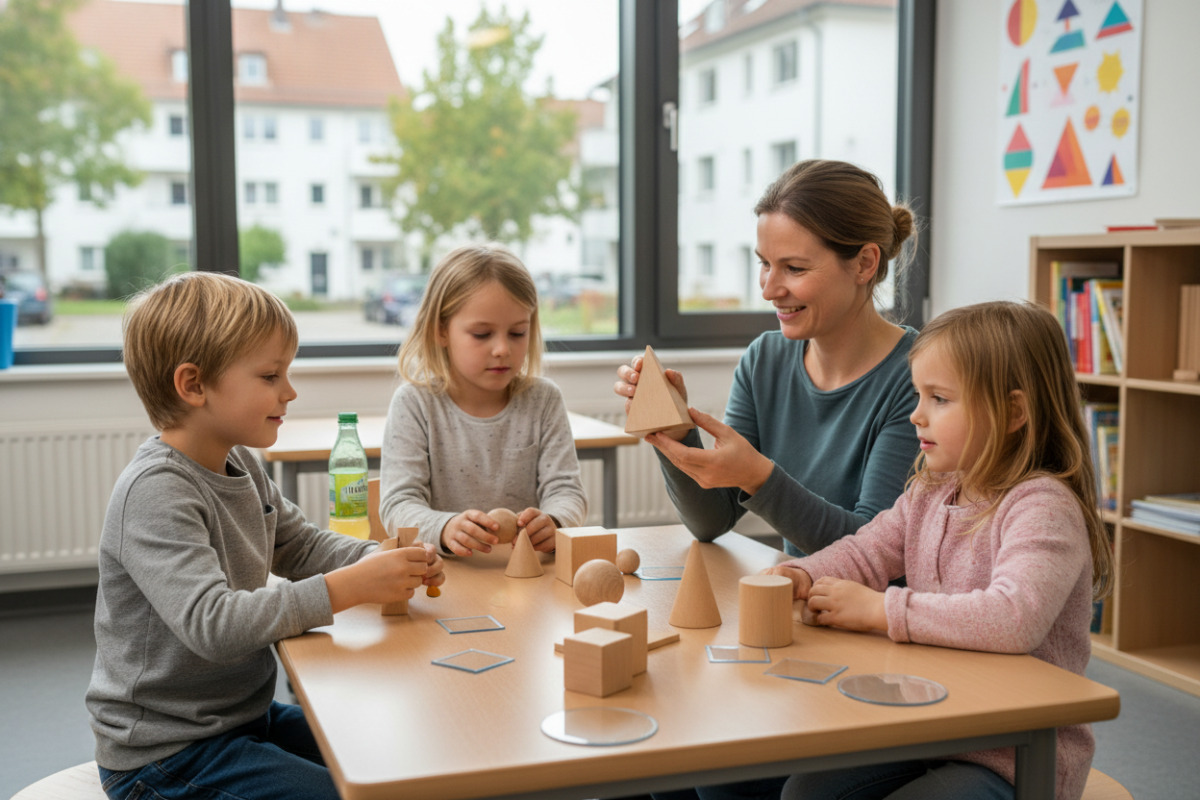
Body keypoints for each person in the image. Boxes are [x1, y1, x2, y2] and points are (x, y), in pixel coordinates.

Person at [86, 271, 445, 800]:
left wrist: (381, 556)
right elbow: (215, 625)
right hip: (167, 755)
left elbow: (299, 545)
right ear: (193, 385)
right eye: (270, 375)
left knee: (389, 760)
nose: (290, 390)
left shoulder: (239, 464)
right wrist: (355, 586)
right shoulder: (154, 492)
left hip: (238, 721)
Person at [765, 300, 1115, 800]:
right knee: (806, 793)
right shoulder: (932, 488)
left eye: (940, 399)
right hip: (933, 727)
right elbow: (868, 552)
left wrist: (881, 610)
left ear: (1013, 411)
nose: (916, 414)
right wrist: (801, 574)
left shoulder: (1042, 505)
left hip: (1014, 758)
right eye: (918, 395)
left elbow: (1014, 617)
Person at [615, 158, 920, 560]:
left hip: (879, 616)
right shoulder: (764, 361)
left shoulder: (919, 377)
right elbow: (711, 521)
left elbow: (871, 553)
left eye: (794, 268)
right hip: (805, 603)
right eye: (764, 263)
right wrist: (674, 429)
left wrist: (757, 476)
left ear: (865, 263)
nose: (769, 289)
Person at [380, 243, 587, 556]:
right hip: (445, 578)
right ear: (441, 331)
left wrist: (556, 521)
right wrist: (445, 527)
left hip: (528, 580)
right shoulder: (415, 404)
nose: (502, 348)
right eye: (481, 334)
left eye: (517, 333)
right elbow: (398, 505)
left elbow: (567, 492)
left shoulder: (543, 400)